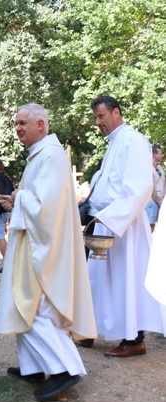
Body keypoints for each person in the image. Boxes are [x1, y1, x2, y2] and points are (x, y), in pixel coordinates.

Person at [0, 103, 96, 402]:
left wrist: (19, 199)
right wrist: (15, 200)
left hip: (43, 246)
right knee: (25, 302)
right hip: (32, 240)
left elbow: (47, 207)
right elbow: (34, 198)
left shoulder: (51, 156)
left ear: (42, 124)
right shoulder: (40, 154)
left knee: (32, 306)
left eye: (23, 123)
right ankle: (34, 366)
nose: (18, 129)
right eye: (16, 124)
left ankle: (65, 369)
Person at [83, 95, 166, 356]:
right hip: (106, 220)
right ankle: (90, 330)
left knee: (125, 280)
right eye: (96, 117)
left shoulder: (132, 140)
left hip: (124, 225)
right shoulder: (115, 142)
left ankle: (134, 340)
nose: (98, 122)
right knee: (98, 279)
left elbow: (139, 186)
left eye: (101, 116)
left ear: (116, 112)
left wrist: (112, 216)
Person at [145, 145, 164, 231]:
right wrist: (159, 201)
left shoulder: (161, 169)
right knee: (150, 226)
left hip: (161, 201)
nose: (162, 155)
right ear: (154, 154)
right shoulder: (148, 168)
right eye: (160, 153)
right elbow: (150, 188)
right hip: (152, 202)